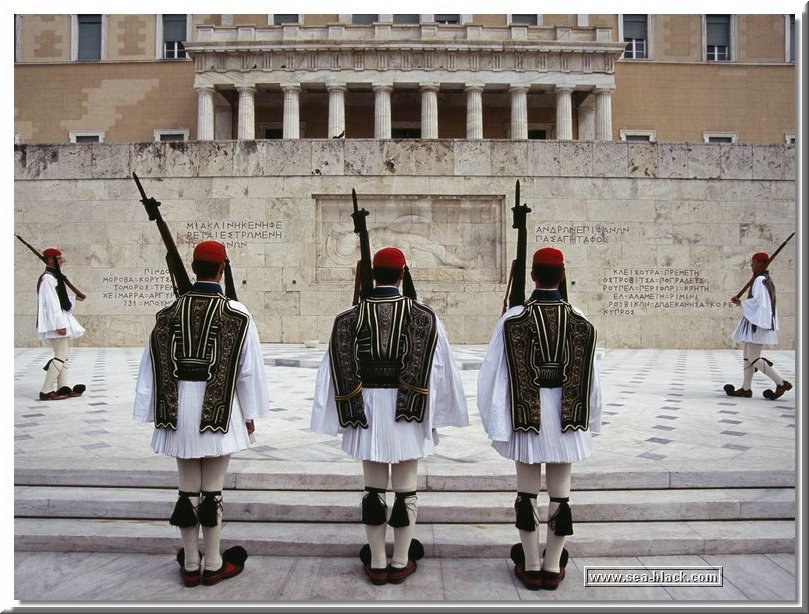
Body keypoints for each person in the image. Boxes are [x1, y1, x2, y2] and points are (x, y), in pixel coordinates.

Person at [311, 246, 469, 586]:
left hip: (365, 410)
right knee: (406, 489)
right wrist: (435, 415)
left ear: (372, 275)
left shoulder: (348, 318)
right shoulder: (425, 317)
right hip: (408, 410)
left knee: (373, 489)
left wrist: (341, 415)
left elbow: (334, 369)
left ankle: (378, 561)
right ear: (402, 274)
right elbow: (440, 370)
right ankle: (400, 560)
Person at [133, 240, 269, 587]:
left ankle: (190, 562)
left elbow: (150, 365)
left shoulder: (167, 312)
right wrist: (250, 413)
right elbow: (248, 370)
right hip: (219, 412)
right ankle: (213, 561)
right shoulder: (238, 313)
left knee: (187, 489)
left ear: (194, 267)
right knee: (213, 491)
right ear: (222, 268)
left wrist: (151, 410)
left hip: (177, 413)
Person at [477, 247, 602, 591]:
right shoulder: (580, 318)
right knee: (561, 495)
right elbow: (592, 377)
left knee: (527, 493)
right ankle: (552, 565)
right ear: (562, 275)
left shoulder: (513, 318)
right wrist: (592, 419)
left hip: (526, 417)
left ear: (532, 276)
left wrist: (494, 419)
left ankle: (531, 564)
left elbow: (493, 374)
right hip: (567, 418)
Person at [724, 251, 792, 400]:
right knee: (747, 357)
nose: (751, 265)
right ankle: (746, 389)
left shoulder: (761, 280)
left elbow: (760, 304)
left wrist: (741, 302)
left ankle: (781, 383)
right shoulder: (762, 279)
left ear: (761, 264)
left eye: (753, 262)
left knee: (753, 357)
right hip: (754, 322)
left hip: (757, 324)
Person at [37, 247, 86, 401]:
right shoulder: (47, 279)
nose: (61, 261)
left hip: (59, 320)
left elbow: (59, 299)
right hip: (55, 322)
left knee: (63, 355)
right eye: (58, 259)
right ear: (50, 260)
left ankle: (62, 387)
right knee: (61, 355)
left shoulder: (54, 277)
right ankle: (46, 391)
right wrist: (59, 324)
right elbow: (50, 304)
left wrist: (73, 298)